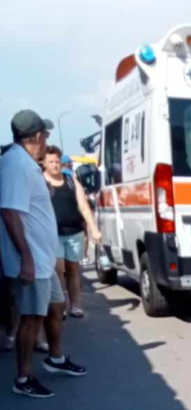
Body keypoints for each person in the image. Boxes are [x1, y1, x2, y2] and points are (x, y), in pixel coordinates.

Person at [0, 110, 87, 398]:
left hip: (42, 258)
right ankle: (23, 378)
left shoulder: (25, 164)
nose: (47, 137)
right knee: (31, 318)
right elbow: (10, 212)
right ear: (37, 135)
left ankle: (56, 358)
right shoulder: (16, 165)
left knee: (56, 306)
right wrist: (25, 257)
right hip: (32, 259)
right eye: (45, 133)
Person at [42, 146, 102, 318]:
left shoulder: (70, 181)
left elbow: (83, 206)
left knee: (73, 269)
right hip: (53, 235)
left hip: (74, 233)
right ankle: (60, 304)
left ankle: (75, 305)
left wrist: (94, 230)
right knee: (58, 269)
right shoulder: (40, 182)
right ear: (44, 163)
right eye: (51, 162)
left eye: (57, 161)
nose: (54, 165)